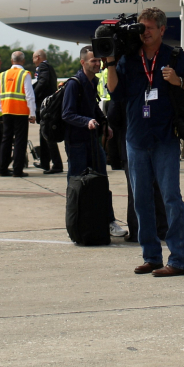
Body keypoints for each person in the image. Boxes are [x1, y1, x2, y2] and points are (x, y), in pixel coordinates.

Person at [105, 7, 184, 277]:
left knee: (171, 199)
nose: (145, 32)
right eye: (142, 27)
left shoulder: (174, 56)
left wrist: (179, 80)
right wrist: (111, 62)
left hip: (164, 138)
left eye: (150, 28)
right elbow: (114, 92)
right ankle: (151, 256)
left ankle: (180, 260)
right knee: (141, 201)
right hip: (136, 138)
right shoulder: (129, 58)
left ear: (162, 30)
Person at [62, 45, 129, 238]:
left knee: (101, 181)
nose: (98, 63)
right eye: (93, 60)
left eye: (98, 60)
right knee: (76, 184)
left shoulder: (92, 82)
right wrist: (86, 122)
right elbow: (67, 113)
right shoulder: (74, 84)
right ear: (83, 62)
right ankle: (75, 221)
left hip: (92, 141)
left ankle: (108, 221)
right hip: (76, 143)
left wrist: (103, 123)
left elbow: (93, 108)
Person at [0, 51, 37, 177]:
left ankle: (2, 168)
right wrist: (32, 113)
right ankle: (17, 170)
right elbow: (29, 95)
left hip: (7, 111)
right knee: (20, 141)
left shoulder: (3, 75)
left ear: (11, 60)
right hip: (20, 111)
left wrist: (1, 109)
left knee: (6, 140)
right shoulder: (24, 74)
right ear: (23, 61)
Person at [32, 49, 63, 173]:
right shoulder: (48, 66)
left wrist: (33, 95)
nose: (33, 61)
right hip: (49, 105)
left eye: (34, 58)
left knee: (48, 135)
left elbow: (43, 81)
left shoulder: (43, 66)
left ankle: (57, 165)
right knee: (44, 134)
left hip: (46, 106)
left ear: (38, 57)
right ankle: (45, 163)